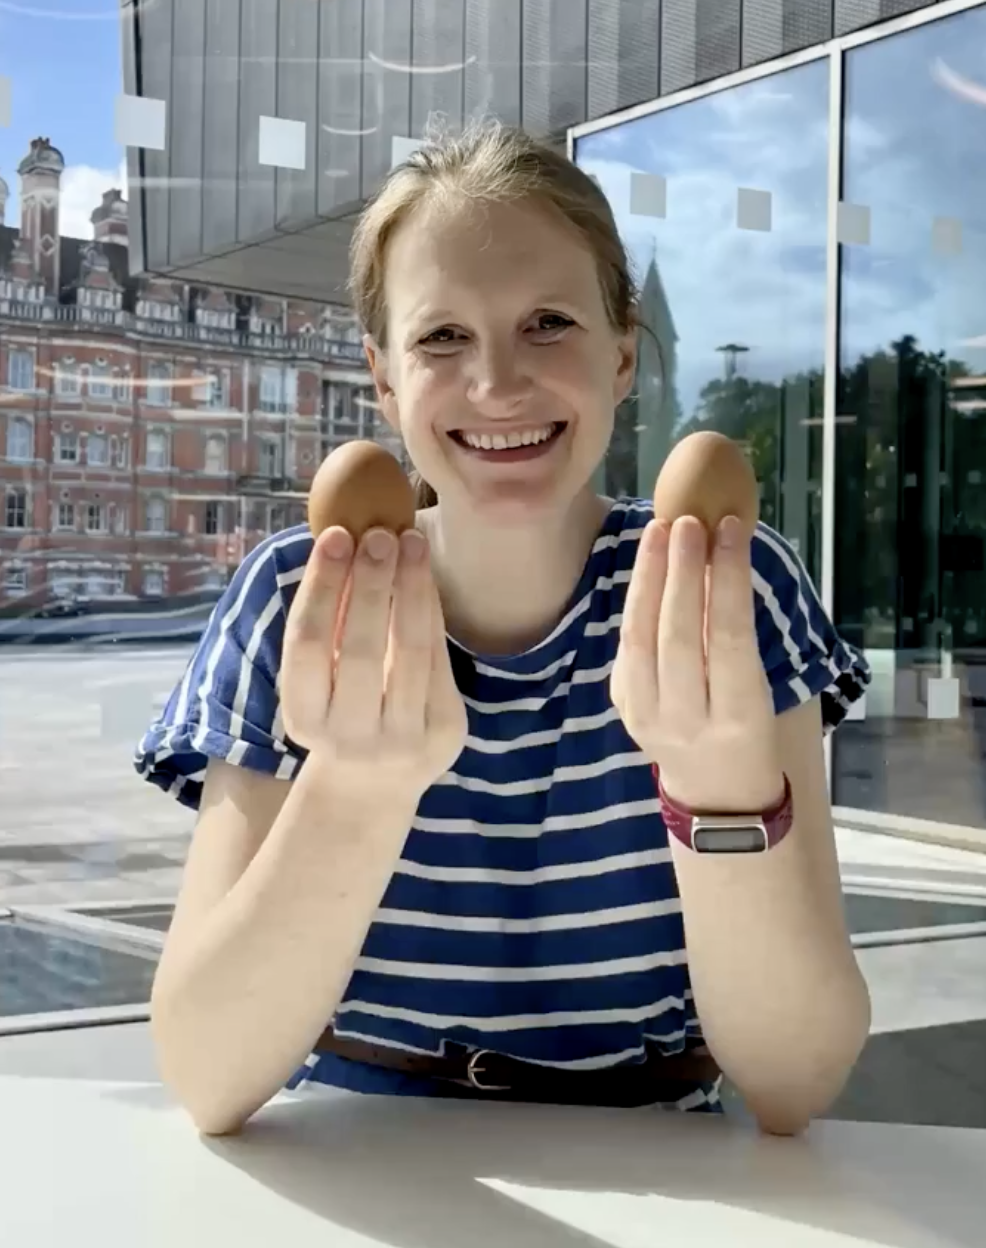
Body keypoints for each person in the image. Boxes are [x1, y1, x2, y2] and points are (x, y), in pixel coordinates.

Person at [136, 120, 872, 1139]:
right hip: (356, 1153)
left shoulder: (726, 592)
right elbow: (207, 1074)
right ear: (384, 379)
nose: (495, 383)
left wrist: (719, 789)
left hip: (654, 1159)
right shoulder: (296, 598)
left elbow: (796, 1080)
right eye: (441, 337)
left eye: (547, 323)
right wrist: (355, 787)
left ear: (622, 356)